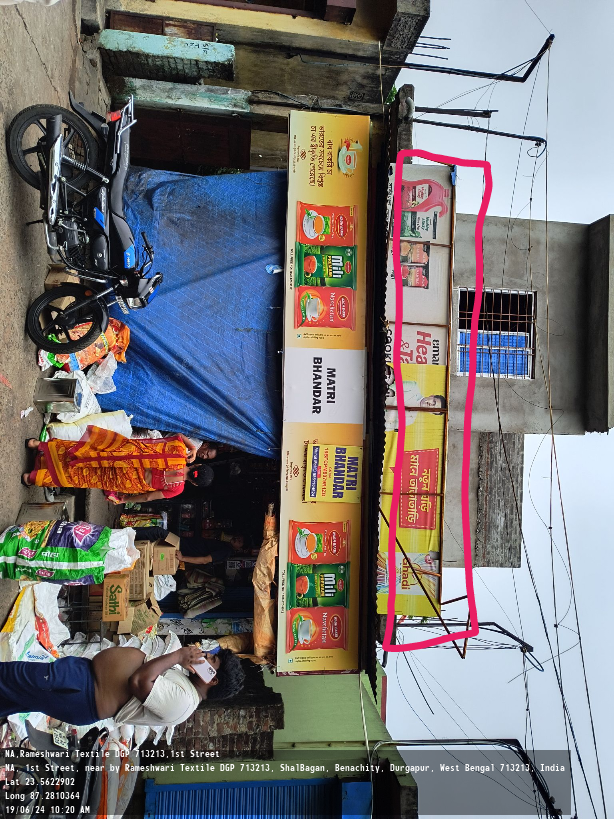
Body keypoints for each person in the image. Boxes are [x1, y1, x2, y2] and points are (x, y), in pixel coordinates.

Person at [0, 644, 245, 727]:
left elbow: (139, 682)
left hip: (80, 691)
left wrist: (178, 656)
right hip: (80, 680)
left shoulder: (183, 702)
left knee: (8, 676)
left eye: (211, 659)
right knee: (10, 697)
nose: (204, 655)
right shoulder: (186, 687)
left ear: (213, 679)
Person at [20, 428, 211, 501]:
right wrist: (125, 499)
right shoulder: (177, 488)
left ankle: (38, 445)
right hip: (123, 479)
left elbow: (178, 436)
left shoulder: (179, 450)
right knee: (82, 476)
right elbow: (147, 497)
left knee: (88, 453)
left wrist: (192, 448)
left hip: (123, 456)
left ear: (197, 465)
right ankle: (32, 477)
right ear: (194, 483)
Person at [175, 533, 247, 567]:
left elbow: (205, 560)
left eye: (239, 542)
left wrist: (182, 558)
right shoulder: (225, 544)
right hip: (183, 543)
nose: (236, 539)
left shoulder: (226, 552)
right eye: (237, 537)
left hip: (182, 550)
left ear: (240, 549)